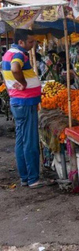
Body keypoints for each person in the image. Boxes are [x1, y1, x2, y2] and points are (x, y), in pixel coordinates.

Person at [1, 30, 44, 188]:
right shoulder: (19, 54)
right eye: (31, 42)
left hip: (17, 101)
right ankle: (33, 179)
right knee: (30, 141)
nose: (33, 45)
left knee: (21, 140)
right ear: (21, 42)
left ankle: (25, 177)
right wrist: (24, 84)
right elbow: (15, 69)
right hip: (25, 102)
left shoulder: (7, 54)